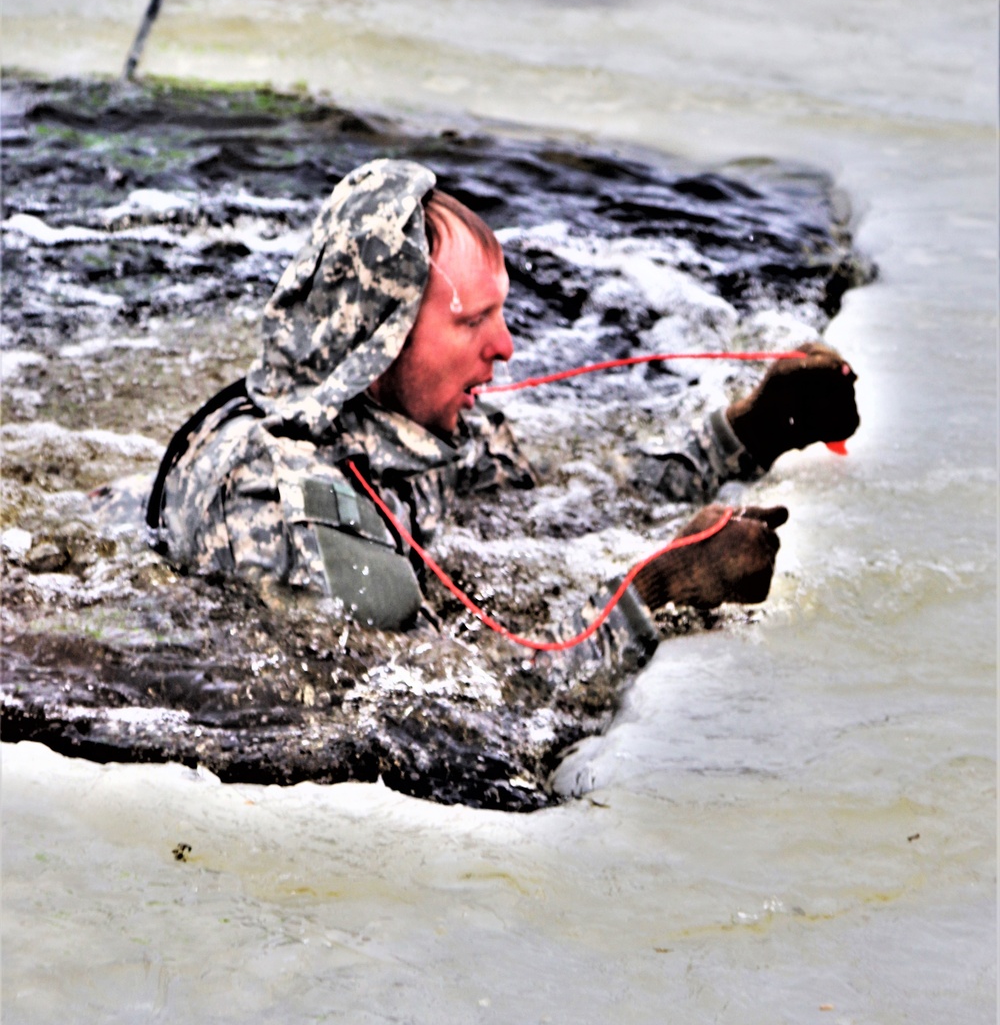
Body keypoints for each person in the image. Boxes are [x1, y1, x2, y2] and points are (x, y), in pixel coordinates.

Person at [149, 158, 858, 674]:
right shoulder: (278, 498)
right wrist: (658, 595)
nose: (506, 346)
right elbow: (433, 703)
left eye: (502, 313)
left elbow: (565, 506)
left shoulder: (428, 424)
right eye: (472, 322)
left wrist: (748, 432)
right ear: (382, 337)